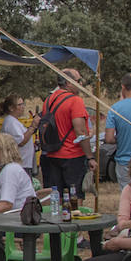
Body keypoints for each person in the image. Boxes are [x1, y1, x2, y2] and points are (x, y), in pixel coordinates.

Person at [38, 68, 97, 197]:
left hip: (52, 154)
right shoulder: (75, 101)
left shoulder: (48, 100)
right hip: (72, 155)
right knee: (75, 197)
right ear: (69, 82)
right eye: (78, 81)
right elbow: (80, 131)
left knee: (57, 197)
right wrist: (90, 157)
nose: (81, 84)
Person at [0, 93, 36, 175]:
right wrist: (32, 127)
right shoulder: (11, 123)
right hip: (19, 165)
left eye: (23, 104)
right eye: (19, 105)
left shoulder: (15, 121)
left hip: (23, 164)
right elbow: (21, 141)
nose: (23, 107)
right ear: (11, 108)